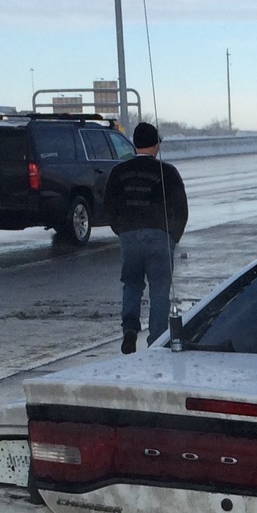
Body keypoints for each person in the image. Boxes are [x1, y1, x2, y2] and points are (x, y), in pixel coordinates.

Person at [104, 121, 189, 351]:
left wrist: (122, 230)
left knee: (131, 284)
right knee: (160, 289)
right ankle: (157, 341)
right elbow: (181, 209)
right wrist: (173, 237)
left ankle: (130, 329)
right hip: (160, 237)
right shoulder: (167, 172)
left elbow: (110, 206)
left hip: (129, 237)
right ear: (155, 145)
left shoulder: (119, 172)